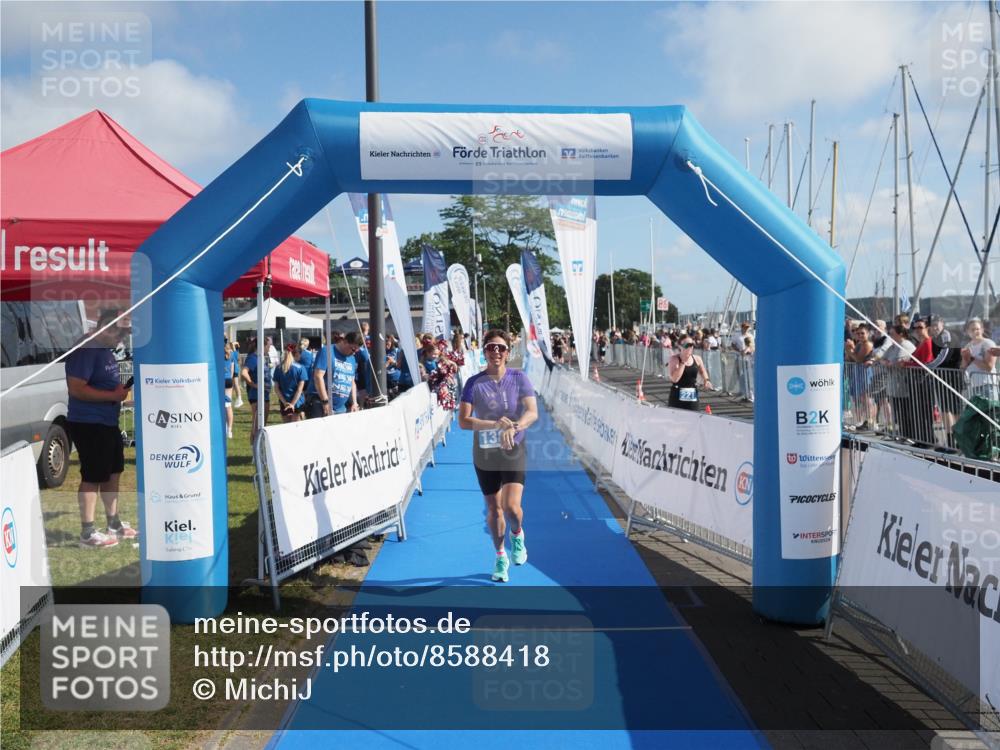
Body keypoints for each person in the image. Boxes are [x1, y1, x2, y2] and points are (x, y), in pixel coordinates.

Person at [458, 330, 538, 583]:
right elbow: (463, 421)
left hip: (513, 448)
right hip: (485, 453)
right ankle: (500, 556)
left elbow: (532, 411)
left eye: (501, 348)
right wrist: (493, 425)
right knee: (493, 509)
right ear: (484, 352)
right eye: (491, 347)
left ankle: (517, 535)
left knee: (511, 507)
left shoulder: (519, 377)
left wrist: (515, 427)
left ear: (508, 353)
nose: (496, 352)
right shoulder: (473, 383)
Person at [65, 309, 138, 548]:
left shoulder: (105, 351)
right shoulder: (88, 349)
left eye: (124, 331)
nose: (121, 336)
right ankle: (87, 533)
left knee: (113, 472)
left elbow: (107, 389)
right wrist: (112, 395)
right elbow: (76, 388)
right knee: (93, 476)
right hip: (89, 423)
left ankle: (113, 524)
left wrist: (120, 398)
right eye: (117, 330)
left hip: (107, 422)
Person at [311, 330, 362, 416]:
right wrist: (325, 401)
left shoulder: (352, 359)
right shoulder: (326, 351)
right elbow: (318, 376)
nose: (353, 353)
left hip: (341, 408)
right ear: (345, 342)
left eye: (356, 351)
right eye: (353, 349)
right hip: (321, 404)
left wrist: (354, 402)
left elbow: (352, 382)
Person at [667, 335, 714, 410]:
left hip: (692, 394)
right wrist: (683, 362)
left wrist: (706, 380)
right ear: (680, 346)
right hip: (677, 395)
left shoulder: (697, 358)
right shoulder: (674, 359)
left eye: (692, 344)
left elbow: (703, 371)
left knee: (695, 418)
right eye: (687, 345)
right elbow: (674, 379)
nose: (690, 347)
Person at [240, 337, 272, 441]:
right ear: (262, 346)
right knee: (257, 424)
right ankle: (255, 453)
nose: (269, 349)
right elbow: (244, 373)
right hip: (256, 395)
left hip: (264, 394)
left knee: (262, 425)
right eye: (268, 346)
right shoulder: (253, 358)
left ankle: (258, 451)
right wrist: (253, 384)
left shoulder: (261, 357)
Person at [962, 318, 999, 401]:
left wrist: (972, 358)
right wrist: (965, 358)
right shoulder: (968, 346)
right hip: (973, 385)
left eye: (977, 329)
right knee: (977, 413)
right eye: (972, 329)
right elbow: (963, 366)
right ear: (968, 332)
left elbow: (989, 367)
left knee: (990, 413)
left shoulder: (988, 343)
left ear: (982, 330)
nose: (975, 331)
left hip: (987, 385)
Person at [273, 344, 308, 422]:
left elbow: (276, 388)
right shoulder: (301, 368)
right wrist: (292, 404)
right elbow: (299, 390)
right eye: (300, 353)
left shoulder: (278, 368)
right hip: (298, 402)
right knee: (297, 430)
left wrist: (285, 403)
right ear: (296, 354)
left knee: (286, 429)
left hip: (284, 402)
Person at [223, 341, 236, 439]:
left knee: (221, 405)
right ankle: (229, 429)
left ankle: (225, 427)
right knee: (228, 405)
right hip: (229, 380)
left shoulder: (220, 355)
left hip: (221, 380)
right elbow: (232, 370)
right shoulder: (231, 355)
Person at [229, 340, 243, 409]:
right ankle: (232, 399)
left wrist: (236, 343)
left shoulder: (235, 353)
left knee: (236, 384)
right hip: (234, 369)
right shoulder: (234, 352)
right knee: (233, 385)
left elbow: (232, 344)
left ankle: (239, 399)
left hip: (234, 370)